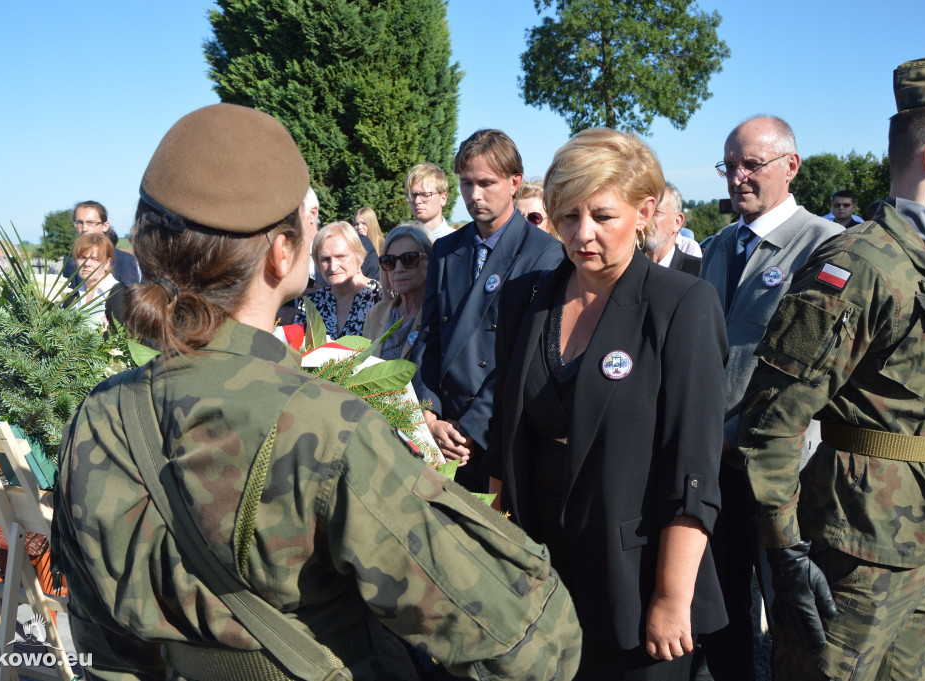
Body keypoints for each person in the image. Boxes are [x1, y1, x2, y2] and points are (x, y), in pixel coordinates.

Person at [53, 102, 582, 681]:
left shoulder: (101, 416)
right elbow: (529, 646)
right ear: (282, 252)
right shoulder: (326, 425)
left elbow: (102, 648)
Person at [485, 127, 728, 679]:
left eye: (603, 216)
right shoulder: (529, 299)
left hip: (636, 576)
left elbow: (692, 469)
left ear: (645, 212)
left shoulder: (681, 305)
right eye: (568, 216)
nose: (582, 234)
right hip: (539, 566)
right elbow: (506, 431)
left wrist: (671, 599)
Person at [738, 57, 925, 681]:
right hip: (854, 552)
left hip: (924, 547)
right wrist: (785, 551)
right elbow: (771, 420)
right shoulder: (860, 268)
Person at [695, 115, 843, 681]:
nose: (737, 177)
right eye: (728, 165)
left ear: (790, 166)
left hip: (785, 471)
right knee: (723, 612)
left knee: (794, 620)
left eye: (751, 164)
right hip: (714, 464)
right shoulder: (716, 248)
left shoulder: (826, 247)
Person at [411, 129, 563, 492]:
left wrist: (470, 429)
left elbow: (527, 356)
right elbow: (429, 336)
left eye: (486, 183)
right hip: (442, 434)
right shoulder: (446, 250)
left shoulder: (544, 253)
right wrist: (428, 415)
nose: (474, 196)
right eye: (466, 183)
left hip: (499, 434)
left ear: (515, 182)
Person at [294, 221, 382, 339]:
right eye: (325, 259)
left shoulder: (381, 298)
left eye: (341, 257)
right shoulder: (310, 305)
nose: (333, 267)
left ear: (358, 256)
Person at [362, 223, 432, 360]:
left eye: (409, 259)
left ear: (431, 261)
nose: (398, 269)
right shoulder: (376, 313)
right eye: (390, 261)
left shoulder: (440, 314)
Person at [61, 200, 142, 286]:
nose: (84, 228)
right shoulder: (69, 260)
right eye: (79, 223)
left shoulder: (125, 260)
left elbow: (131, 295)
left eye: (90, 223)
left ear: (105, 226)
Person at [62, 233, 125, 330]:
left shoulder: (119, 295)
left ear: (107, 263)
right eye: (82, 257)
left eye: (94, 259)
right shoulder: (71, 297)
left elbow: (121, 337)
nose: (87, 264)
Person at [643, 183, 700, 275]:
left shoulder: (698, 271)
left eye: (656, 212)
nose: (646, 219)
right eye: (643, 211)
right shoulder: (625, 268)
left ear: (677, 222)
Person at [405, 162, 456, 240]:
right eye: (413, 195)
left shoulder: (458, 243)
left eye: (425, 195)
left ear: (443, 198)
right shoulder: (403, 243)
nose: (417, 201)